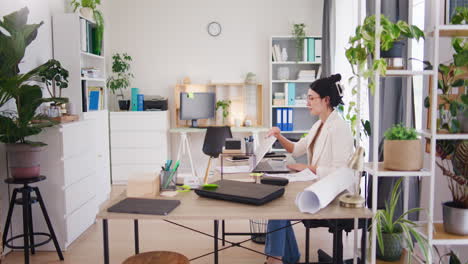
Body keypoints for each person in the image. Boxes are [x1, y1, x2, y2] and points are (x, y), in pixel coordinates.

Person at [264, 74, 354, 264]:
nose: (307, 103)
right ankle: (287, 256)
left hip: (334, 193)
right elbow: (297, 149)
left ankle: (276, 259)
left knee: (279, 203)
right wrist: (279, 136)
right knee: (277, 198)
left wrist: (309, 168)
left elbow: (343, 173)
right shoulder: (319, 125)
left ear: (326, 100)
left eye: (311, 98)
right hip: (318, 185)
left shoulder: (340, 128)